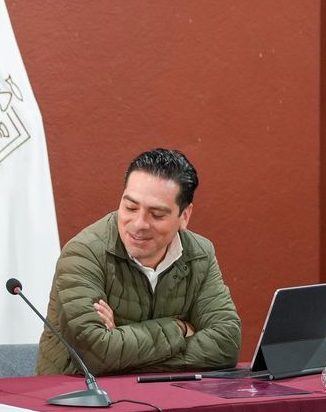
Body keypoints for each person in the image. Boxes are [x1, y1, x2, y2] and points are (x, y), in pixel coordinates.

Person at [36, 148, 240, 376]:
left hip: (166, 397)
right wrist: (180, 328)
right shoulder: (84, 253)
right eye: (130, 208)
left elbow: (226, 343)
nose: (139, 224)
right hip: (79, 399)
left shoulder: (200, 254)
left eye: (157, 215)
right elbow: (98, 353)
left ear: (184, 216)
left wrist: (122, 346)